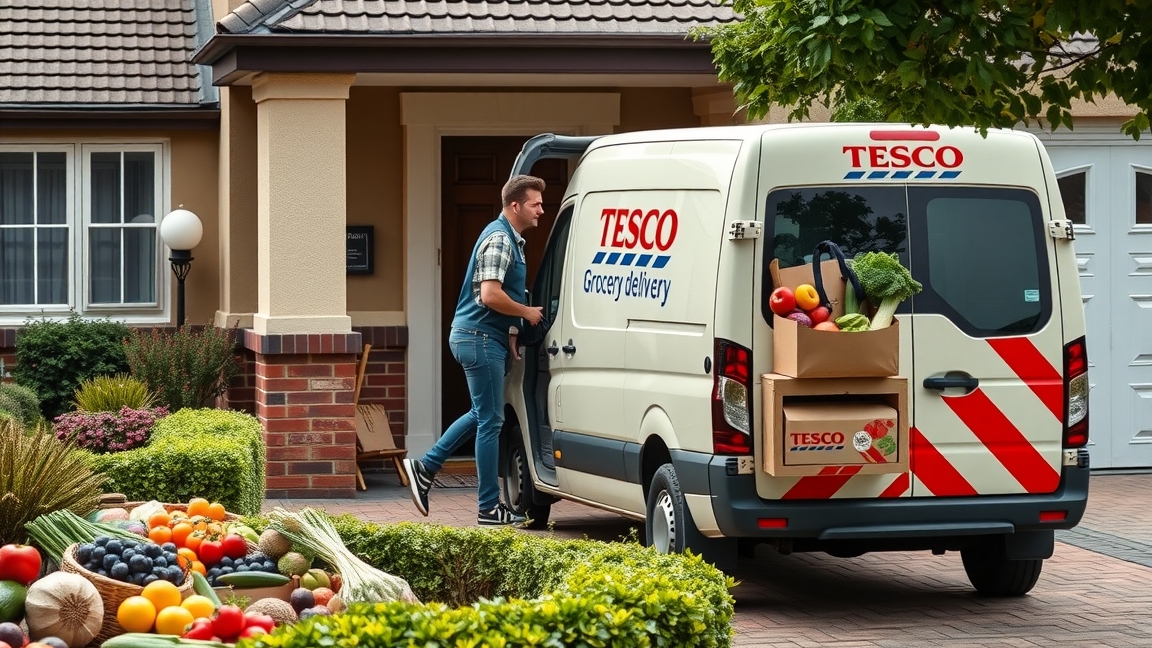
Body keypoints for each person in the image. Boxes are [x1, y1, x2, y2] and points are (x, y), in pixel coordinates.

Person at [403, 175, 546, 526]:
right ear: (515, 205)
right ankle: (487, 507)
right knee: (491, 420)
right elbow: (490, 294)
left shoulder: (510, 238)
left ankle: (426, 468)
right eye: (535, 203)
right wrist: (526, 313)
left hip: (481, 336)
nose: (541, 209)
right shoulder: (500, 239)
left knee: (483, 415)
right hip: (478, 338)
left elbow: (495, 297)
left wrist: (510, 330)